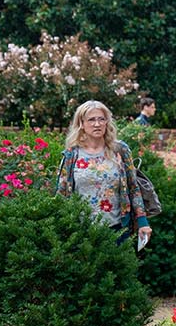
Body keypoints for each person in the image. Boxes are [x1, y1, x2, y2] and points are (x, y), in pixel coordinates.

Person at [56, 100, 153, 248]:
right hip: (81, 232)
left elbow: (133, 188)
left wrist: (143, 222)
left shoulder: (120, 150)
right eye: (91, 119)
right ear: (81, 123)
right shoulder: (72, 154)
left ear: (107, 122)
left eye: (101, 119)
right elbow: (62, 193)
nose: (97, 124)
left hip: (117, 229)